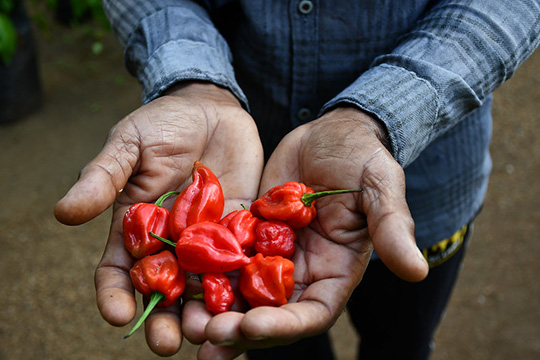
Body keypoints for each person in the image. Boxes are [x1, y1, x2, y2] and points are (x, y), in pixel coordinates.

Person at [54, 1, 540, 359]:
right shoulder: (214, 240)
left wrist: (383, 114)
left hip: (428, 183)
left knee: (402, 343)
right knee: (273, 341)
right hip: (240, 140)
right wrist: (192, 80)